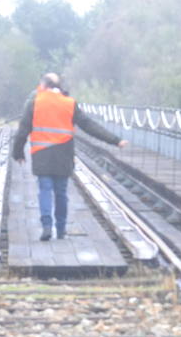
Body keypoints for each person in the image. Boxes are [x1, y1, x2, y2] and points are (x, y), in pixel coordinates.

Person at [12, 72, 128, 241]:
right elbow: (89, 126)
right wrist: (115, 140)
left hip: (41, 154)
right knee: (61, 193)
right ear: (60, 87)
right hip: (63, 156)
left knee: (44, 190)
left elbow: (22, 131)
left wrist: (18, 152)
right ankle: (60, 230)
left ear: (43, 85)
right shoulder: (70, 104)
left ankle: (46, 226)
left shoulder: (34, 103)